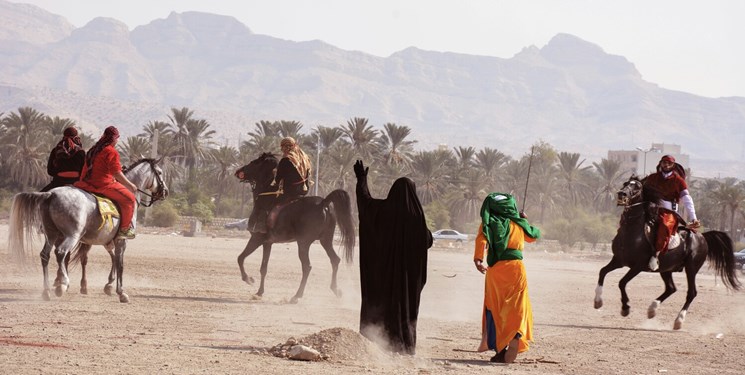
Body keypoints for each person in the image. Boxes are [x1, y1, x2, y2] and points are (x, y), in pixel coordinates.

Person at [354, 160, 433, 355]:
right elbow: (428, 241)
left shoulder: (382, 211)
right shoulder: (417, 218)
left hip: (383, 278)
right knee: (405, 310)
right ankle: (404, 346)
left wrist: (361, 179)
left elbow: (365, 203)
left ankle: (378, 341)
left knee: (382, 305)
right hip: (407, 284)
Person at [473, 193, 540, 364]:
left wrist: (479, 260)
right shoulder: (517, 223)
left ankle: (501, 350)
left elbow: (481, 241)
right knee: (516, 305)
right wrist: (524, 219)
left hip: (496, 271)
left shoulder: (488, 224)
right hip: (516, 270)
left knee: (495, 307)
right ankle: (516, 332)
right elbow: (532, 237)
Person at [74, 126, 138, 239]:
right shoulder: (111, 151)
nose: (117, 141)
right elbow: (117, 173)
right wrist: (130, 184)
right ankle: (124, 230)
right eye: (117, 138)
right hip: (103, 184)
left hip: (87, 183)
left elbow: (86, 168)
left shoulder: (94, 149)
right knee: (130, 199)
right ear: (113, 138)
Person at [641, 155, 700, 271]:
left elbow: (687, 200)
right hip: (652, 209)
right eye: (664, 162)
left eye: (669, 163)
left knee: (664, 225)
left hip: (669, 212)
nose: (666, 165)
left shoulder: (679, 181)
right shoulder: (652, 178)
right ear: (660, 163)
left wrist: (693, 217)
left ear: (673, 165)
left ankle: (655, 255)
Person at [247, 136, 312, 233]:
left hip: (289, 193)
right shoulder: (304, 158)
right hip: (304, 191)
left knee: (261, 198)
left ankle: (260, 226)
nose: (281, 150)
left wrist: (274, 176)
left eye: (282, 147)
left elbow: (278, 180)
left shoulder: (286, 160)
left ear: (286, 147)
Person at [40, 126, 85, 192]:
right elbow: (84, 171)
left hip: (58, 182)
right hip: (76, 182)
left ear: (64, 136)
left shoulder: (55, 150)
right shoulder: (81, 152)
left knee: (37, 200)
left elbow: (50, 171)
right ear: (76, 137)